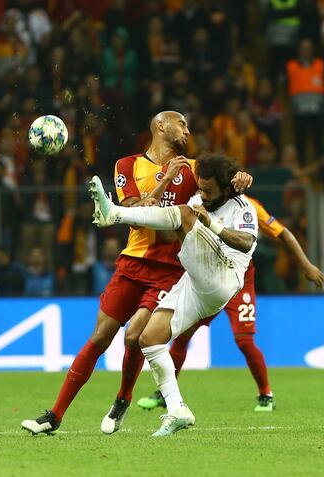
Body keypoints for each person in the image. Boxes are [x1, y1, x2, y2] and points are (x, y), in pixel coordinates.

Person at [21, 110, 251, 436]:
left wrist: (243, 177)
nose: (187, 129)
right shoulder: (127, 165)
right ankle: (54, 416)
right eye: (180, 123)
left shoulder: (194, 167)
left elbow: (227, 180)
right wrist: (165, 181)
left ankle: (123, 398)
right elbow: (131, 213)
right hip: (132, 262)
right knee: (99, 338)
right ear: (160, 125)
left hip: (170, 269)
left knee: (134, 336)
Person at [89, 152, 259, 436]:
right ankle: (177, 410)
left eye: (209, 190)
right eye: (200, 188)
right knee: (149, 338)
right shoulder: (198, 203)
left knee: (184, 212)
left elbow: (244, 243)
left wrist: (208, 223)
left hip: (223, 277)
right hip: (194, 281)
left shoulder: (243, 207)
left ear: (227, 188)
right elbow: (172, 231)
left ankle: (115, 213)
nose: (202, 195)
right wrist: (158, 208)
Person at [137, 196, 324, 413]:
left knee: (244, 340)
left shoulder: (248, 205)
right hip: (208, 281)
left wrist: (307, 265)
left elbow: (282, 232)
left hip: (239, 281)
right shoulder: (200, 200)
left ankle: (266, 395)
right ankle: (164, 395)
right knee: (182, 336)